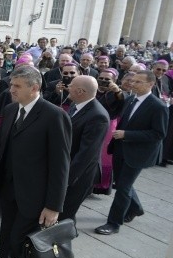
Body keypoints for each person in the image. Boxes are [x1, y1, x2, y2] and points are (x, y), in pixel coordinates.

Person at [0, 66, 71, 258]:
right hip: (8, 190)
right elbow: (0, 151)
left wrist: (54, 205)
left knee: (19, 242)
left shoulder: (54, 115)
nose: (11, 90)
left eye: (17, 86)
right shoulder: (11, 110)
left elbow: (61, 165)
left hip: (35, 196)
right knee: (5, 243)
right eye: (11, 84)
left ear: (34, 88)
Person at [96, 71, 168, 235]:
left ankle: (113, 223)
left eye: (138, 82)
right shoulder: (130, 99)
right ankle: (135, 208)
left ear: (150, 84)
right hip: (120, 148)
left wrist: (127, 135)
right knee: (123, 183)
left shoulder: (158, 106)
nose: (133, 84)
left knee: (123, 188)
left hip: (138, 153)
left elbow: (158, 134)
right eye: (133, 81)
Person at [56, 76, 110, 223]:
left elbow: (86, 154)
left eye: (71, 86)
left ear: (80, 91)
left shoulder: (98, 116)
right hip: (68, 166)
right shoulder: (77, 104)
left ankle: (64, 237)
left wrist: (66, 179)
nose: (68, 87)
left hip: (79, 176)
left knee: (64, 215)